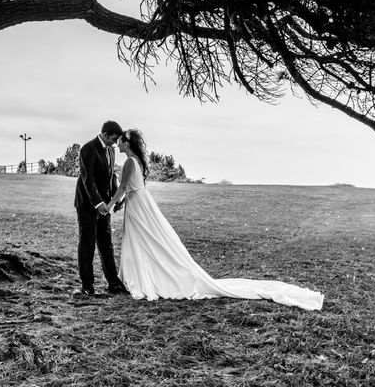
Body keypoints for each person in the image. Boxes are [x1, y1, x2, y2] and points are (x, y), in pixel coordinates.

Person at [106, 129, 324, 311]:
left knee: (141, 240)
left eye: (120, 142)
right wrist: (123, 202)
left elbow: (124, 187)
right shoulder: (138, 163)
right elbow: (134, 188)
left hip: (138, 205)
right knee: (146, 241)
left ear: (127, 142)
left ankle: (142, 279)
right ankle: (143, 276)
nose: (117, 145)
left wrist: (109, 205)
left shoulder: (129, 163)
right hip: (140, 203)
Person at [73, 121, 129, 296]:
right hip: (87, 205)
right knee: (87, 244)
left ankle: (114, 284)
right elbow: (87, 180)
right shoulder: (88, 149)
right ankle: (87, 286)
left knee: (106, 244)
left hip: (104, 206)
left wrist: (114, 199)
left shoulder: (111, 150)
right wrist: (97, 203)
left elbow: (110, 175)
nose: (115, 143)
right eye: (113, 139)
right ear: (104, 134)